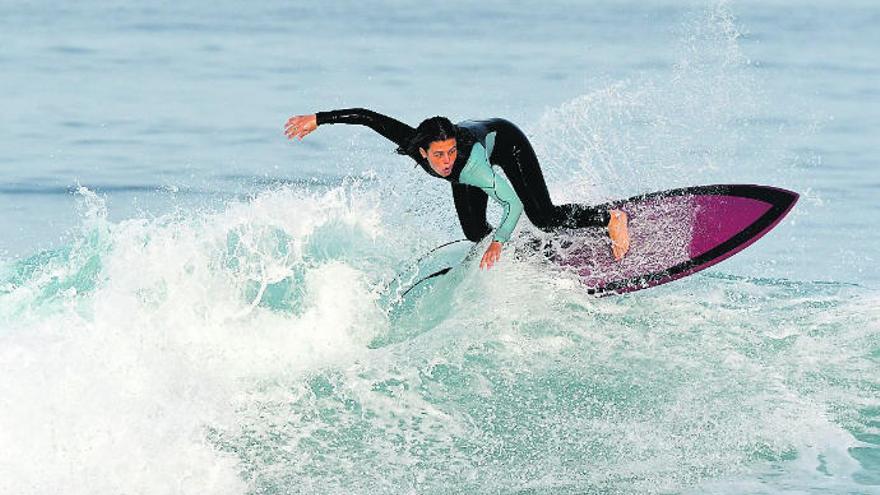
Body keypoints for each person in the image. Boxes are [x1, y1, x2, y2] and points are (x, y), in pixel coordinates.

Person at [284, 108, 629, 270]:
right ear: (423, 152)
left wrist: (498, 243)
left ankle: (609, 219)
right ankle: (528, 249)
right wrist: (318, 119)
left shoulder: (471, 166)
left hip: (507, 143)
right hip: (476, 154)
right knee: (473, 230)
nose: (446, 160)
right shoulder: (414, 142)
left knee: (543, 215)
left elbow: (511, 205)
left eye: (450, 152)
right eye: (438, 155)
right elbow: (367, 117)